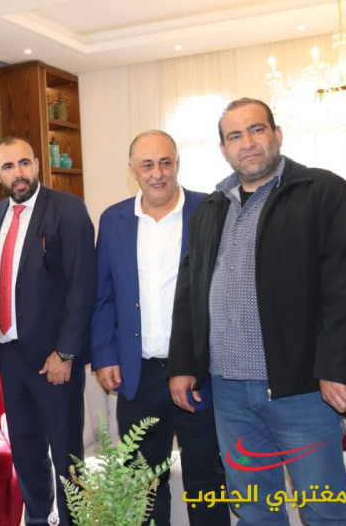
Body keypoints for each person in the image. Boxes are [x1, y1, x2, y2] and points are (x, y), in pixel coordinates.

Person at [169, 98, 346, 525]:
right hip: (229, 394)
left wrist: (335, 367)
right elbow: (189, 295)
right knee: (255, 512)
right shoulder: (210, 210)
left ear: (276, 134)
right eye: (235, 136)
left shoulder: (323, 192)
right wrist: (183, 364)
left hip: (302, 390)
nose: (247, 143)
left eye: (256, 130)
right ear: (223, 149)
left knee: (325, 511)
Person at [90, 130, 228, 525]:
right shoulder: (113, 219)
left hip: (198, 372)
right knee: (143, 484)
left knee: (206, 479)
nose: (158, 173)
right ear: (132, 170)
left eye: (165, 162)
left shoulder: (209, 210)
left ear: (177, 164)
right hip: (138, 375)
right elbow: (103, 294)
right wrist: (105, 355)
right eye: (147, 165)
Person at [0, 137, 95, 525]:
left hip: (54, 357)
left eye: (24, 163)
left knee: (66, 454)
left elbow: (83, 284)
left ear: (36, 164)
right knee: (26, 451)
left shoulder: (68, 208)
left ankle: (72, 521)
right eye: (8, 167)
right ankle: (36, 519)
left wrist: (66, 352)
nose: (18, 173)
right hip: (10, 355)